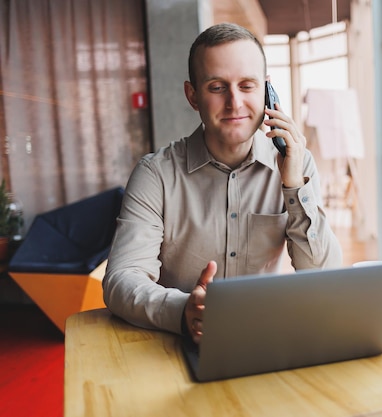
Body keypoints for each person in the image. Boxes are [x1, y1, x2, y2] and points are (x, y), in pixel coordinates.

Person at [103, 23, 343, 343]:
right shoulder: (155, 175)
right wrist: (182, 310)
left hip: (264, 337)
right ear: (193, 96)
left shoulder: (297, 165)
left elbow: (324, 278)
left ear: (267, 91)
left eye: (247, 86)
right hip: (178, 341)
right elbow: (122, 280)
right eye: (217, 87)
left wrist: (294, 186)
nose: (234, 103)